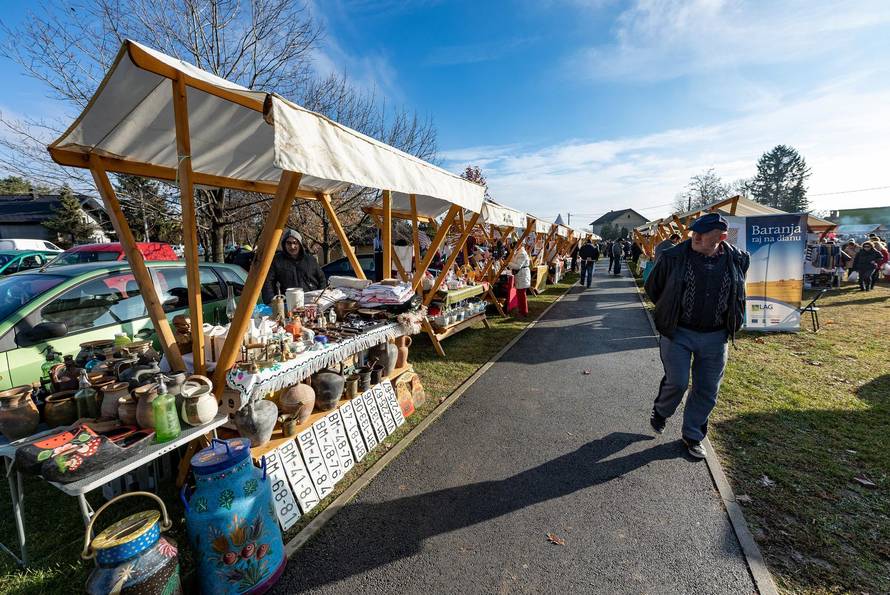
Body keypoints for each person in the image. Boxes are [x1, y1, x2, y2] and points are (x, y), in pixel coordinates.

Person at [644, 213, 749, 459]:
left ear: (721, 237)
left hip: (715, 335)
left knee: (707, 388)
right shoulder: (673, 256)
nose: (696, 237)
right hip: (678, 331)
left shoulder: (739, 259)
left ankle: (692, 435)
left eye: (704, 234)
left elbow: (738, 289)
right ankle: (661, 411)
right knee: (678, 381)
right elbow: (654, 288)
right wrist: (670, 310)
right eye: (694, 232)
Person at [261, 229, 325, 303]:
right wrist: (271, 301)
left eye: (295, 243)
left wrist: (320, 297)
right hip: (289, 302)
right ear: (284, 244)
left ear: (299, 244)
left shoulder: (310, 260)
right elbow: (268, 282)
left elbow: (322, 279)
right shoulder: (277, 261)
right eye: (289, 243)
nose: (292, 246)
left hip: (311, 301)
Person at [508, 241, 531, 317]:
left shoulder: (522, 253)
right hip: (520, 275)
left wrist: (508, 263)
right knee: (520, 293)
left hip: (522, 275)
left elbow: (518, 266)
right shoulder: (518, 252)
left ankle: (523, 312)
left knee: (521, 294)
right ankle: (522, 311)